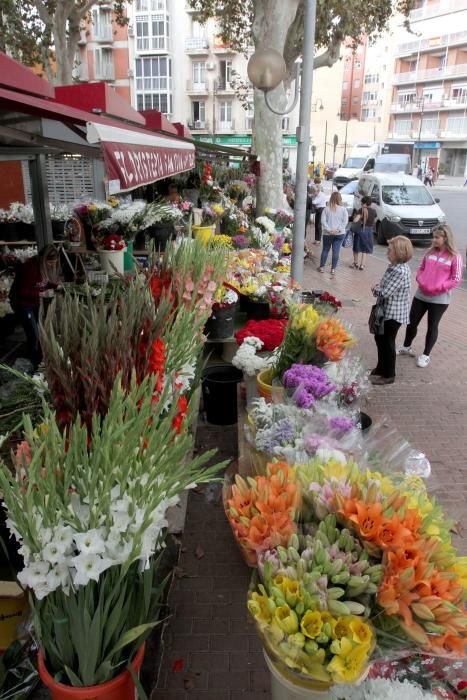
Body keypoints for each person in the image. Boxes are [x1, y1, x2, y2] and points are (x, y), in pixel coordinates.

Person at [397, 224, 463, 368]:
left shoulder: (455, 257)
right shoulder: (430, 252)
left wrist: (439, 287)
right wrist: (420, 280)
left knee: (432, 326)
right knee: (412, 322)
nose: (434, 240)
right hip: (421, 294)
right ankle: (406, 346)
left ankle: (426, 355)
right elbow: (421, 268)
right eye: (434, 237)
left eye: (437, 237)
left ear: (446, 238)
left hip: (439, 299)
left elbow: (456, 279)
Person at [369, 236, 413, 386]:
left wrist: (375, 289)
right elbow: (386, 285)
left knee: (387, 343)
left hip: (393, 314)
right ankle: (381, 368)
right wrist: (380, 287)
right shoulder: (394, 267)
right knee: (380, 339)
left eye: (390, 250)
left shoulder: (399, 271)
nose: (387, 252)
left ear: (399, 252)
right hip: (388, 311)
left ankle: (389, 374)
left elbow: (385, 292)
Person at [9, 245, 60, 370]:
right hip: (22, 304)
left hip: (34, 302)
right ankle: (34, 363)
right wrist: (41, 293)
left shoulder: (42, 267)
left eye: (54, 263)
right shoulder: (30, 268)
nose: (52, 265)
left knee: (41, 329)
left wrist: (55, 286)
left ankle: (41, 357)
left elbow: (43, 282)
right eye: (50, 262)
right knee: (33, 333)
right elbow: (22, 292)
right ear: (42, 258)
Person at [318, 191, 348, 276]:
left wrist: (329, 229)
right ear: (340, 199)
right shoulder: (343, 209)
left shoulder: (326, 209)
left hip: (328, 234)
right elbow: (345, 222)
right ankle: (333, 269)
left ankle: (322, 267)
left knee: (325, 250)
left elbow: (323, 221)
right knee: (336, 251)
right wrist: (338, 230)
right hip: (339, 234)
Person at [350, 195, 376, 270]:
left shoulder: (361, 210)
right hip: (369, 231)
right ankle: (362, 265)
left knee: (356, 247)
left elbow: (355, 220)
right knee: (365, 248)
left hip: (361, 230)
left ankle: (355, 263)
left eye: (362, 202)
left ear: (364, 203)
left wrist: (357, 217)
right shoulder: (374, 211)